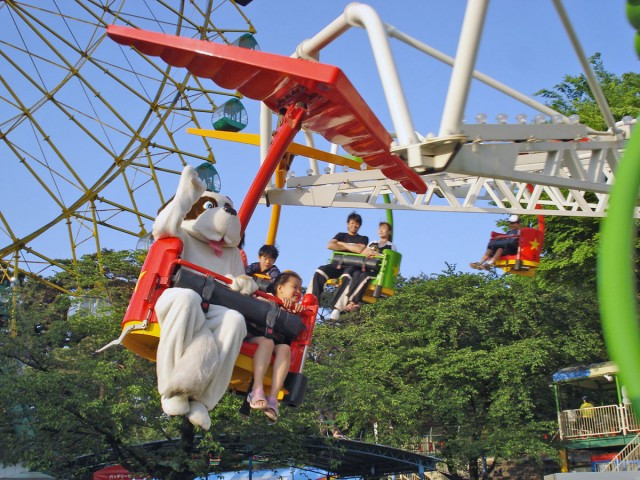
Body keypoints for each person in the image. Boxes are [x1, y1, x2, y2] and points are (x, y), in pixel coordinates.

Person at [246, 271, 304, 422]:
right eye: (295, 287)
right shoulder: (263, 299)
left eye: (301, 290)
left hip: (275, 345)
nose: (298, 292)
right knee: (268, 342)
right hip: (255, 339)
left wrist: (294, 314)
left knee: (285, 348)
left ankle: (273, 398)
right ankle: (256, 390)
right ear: (280, 288)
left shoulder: (294, 312)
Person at [329, 221, 397, 320]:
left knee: (365, 276)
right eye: (379, 228)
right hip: (366, 266)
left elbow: (389, 259)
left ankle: (354, 301)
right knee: (356, 273)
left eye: (383, 228)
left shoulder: (390, 246)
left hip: (376, 271)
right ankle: (350, 301)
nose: (381, 230)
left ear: (389, 231)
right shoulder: (373, 243)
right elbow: (364, 251)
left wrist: (376, 255)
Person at [308, 212, 369, 300]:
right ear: (348, 224)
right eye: (352, 223)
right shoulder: (341, 235)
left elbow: (359, 250)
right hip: (338, 264)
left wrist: (342, 244)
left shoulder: (363, 238)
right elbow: (330, 245)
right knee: (320, 270)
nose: (354, 225)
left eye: (357, 224)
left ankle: (337, 306)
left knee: (347, 276)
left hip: (352, 266)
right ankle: (313, 298)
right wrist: (352, 247)